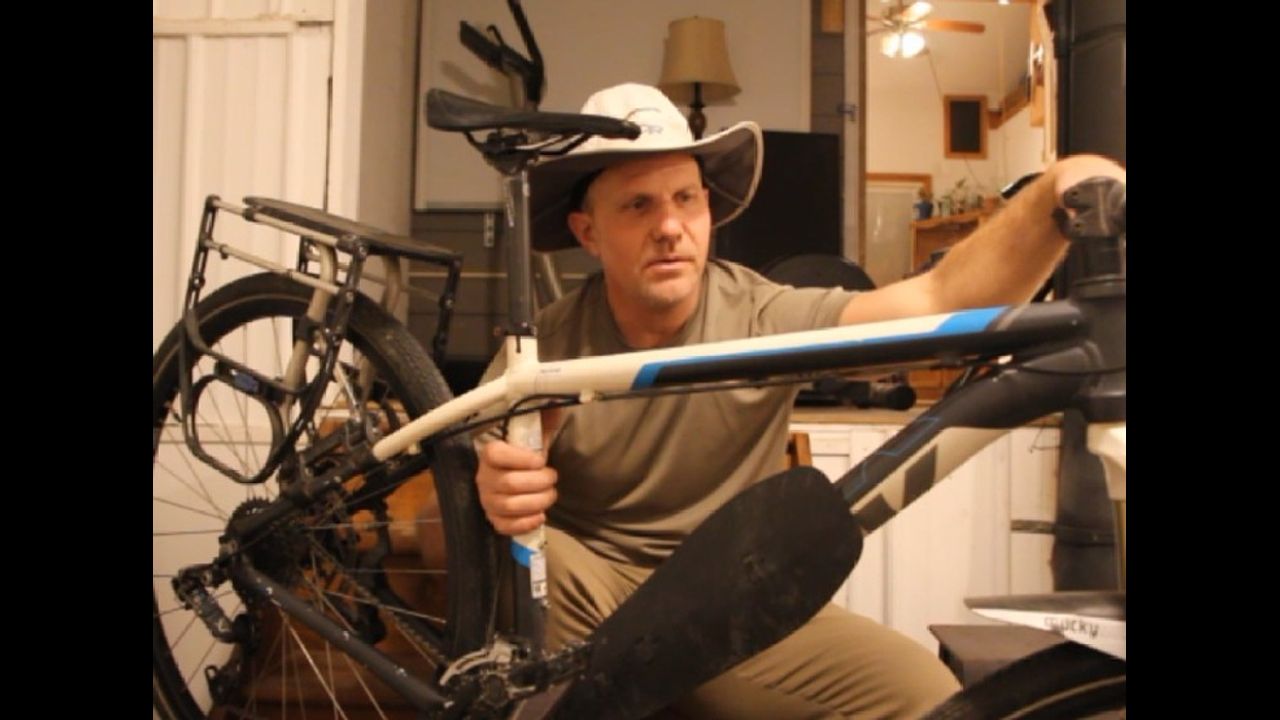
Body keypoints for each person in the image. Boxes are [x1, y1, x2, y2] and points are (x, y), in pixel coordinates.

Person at [465, 83, 1125, 718]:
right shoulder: (542, 348)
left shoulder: (764, 318)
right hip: (593, 599)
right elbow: (470, 480)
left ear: (707, 211)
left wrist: (1055, 193)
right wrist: (497, 484)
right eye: (638, 205)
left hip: (734, 596)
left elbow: (937, 301)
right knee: (526, 553)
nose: (669, 227)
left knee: (925, 692)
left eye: (685, 199)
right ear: (588, 232)